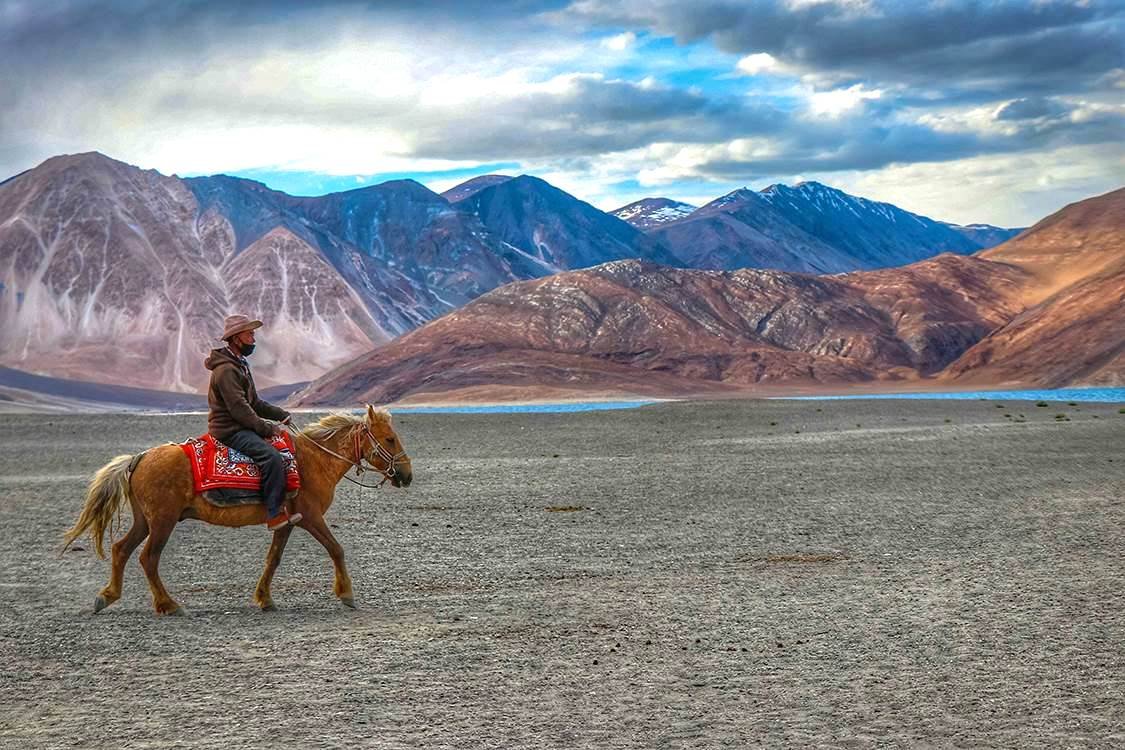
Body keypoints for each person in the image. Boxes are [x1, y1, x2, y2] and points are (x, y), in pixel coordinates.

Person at [204, 314, 302, 531]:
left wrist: (280, 415)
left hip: (239, 426)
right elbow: (239, 409)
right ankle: (274, 514)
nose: (253, 340)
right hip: (230, 430)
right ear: (237, 338)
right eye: (250, 335)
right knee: (271, 457)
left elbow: (254, 402)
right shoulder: (226, 370)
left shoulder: (239, 365)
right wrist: (266, 428)